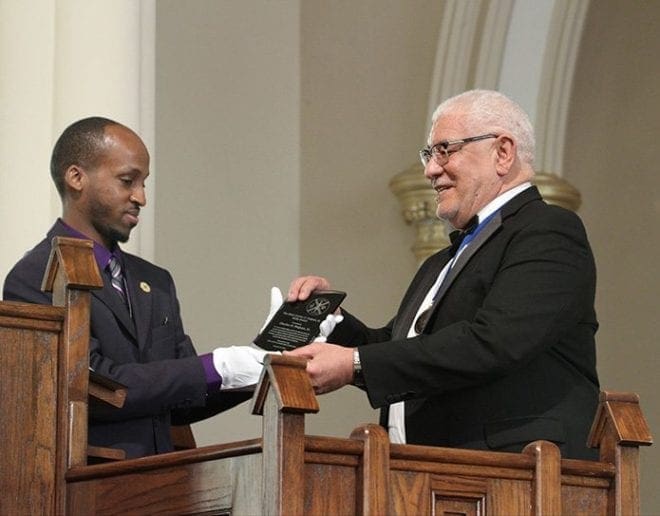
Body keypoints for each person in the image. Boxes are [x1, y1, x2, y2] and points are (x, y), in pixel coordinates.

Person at [287, 89, 600, 460]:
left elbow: (495, 342)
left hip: (518, 474)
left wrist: (352, 362)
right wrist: (331, 319)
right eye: (429, 154)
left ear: (503, 152)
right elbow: (397, 346)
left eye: (445, 150)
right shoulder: (441, 261)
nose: (430, 170)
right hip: (429, 476)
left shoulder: (548, 231)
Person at [3, 117, 274, 458]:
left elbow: (184, 400)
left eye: (144, 183)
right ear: (76, 177)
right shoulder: (34, 277)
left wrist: (263, 359)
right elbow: (90, 384)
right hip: (89, 488)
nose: (141, 197)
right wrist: (220, 366)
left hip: (164, 486)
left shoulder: (156, 281)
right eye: (127, 181)